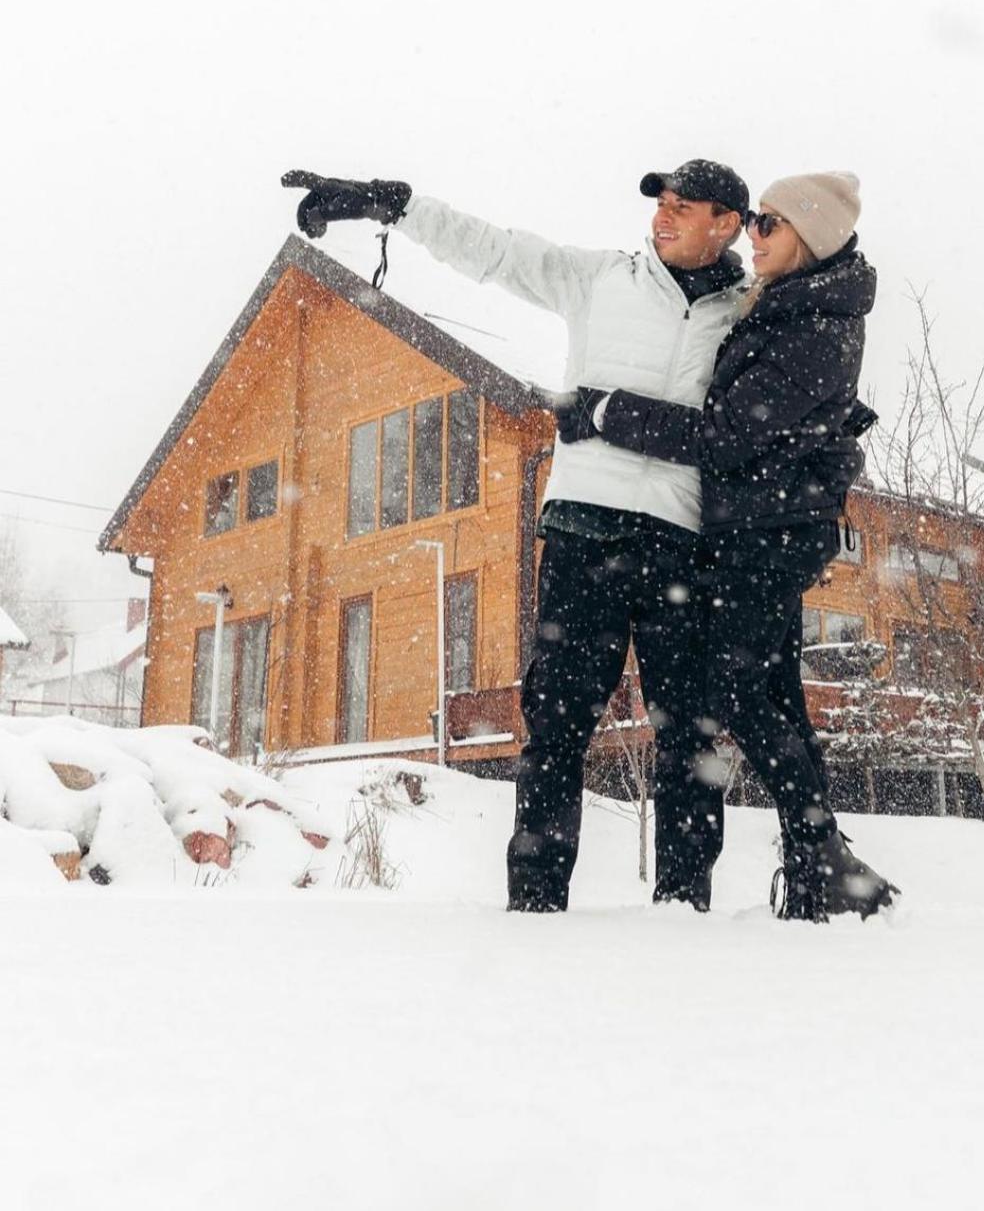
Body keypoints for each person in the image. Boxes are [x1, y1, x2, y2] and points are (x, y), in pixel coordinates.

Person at [282, 160, 751, 912]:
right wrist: (394, 205)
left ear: (725, 222)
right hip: (584, 531)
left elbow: (758, 413)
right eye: (660, 204)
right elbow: (495, 251)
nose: (662, 216)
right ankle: (534, 904)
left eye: (683, 207)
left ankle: (681, 907)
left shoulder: (744, 313)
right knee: (558, 725)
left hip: (680, 540)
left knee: (690, 736)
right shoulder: (601, 279)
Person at [555, 171, 897, 921]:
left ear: (807, 236)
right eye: (753, 222)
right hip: (756, 529)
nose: (753, 235)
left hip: (763, 539)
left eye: (768, 224)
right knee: (776, 696)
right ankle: (818, 869)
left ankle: (824, 855)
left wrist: (609, 410)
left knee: (740, 691)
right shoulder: (793, 306)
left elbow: (724, 433)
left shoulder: (814, 321)